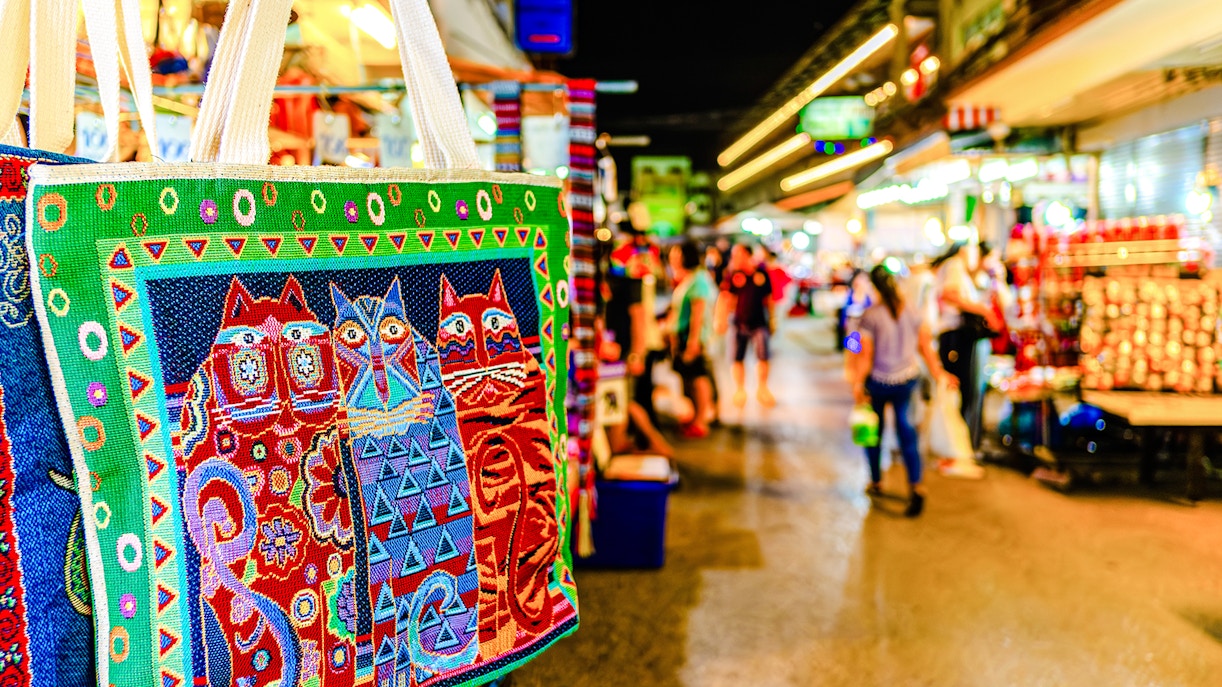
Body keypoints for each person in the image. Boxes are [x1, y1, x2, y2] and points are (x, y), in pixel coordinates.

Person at [851, 264, 956, 517]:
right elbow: (925, 347)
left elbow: (864, 354)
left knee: (872, 434)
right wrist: (940, 373)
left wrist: (857, 382)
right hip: (907, 379)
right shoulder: (912, 311)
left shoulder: (870, 315)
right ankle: (916, 486)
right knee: (907, 433)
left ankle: (876, 481)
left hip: (878, 382)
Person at [932, 241, 1002, 449]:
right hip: (954, 335)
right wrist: (984, 311)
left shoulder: (959, 269)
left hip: (955, 336)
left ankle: (958, 442)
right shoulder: (955, 266)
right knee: (961, 389)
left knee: (963, 390)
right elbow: (950, 295)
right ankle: (956, 443)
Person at [716, 243, 776, 408]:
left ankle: (762, 389)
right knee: (737, 358)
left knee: (763, 357)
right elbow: (725, 297)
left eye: (738, 255)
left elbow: (769, 298)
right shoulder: (733, 274)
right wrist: (720, 319)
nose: (734, 258)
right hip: (738, 323)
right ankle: (740, 390)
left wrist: (772, 320)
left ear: (747, 255)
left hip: (759, 322)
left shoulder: (761, 273)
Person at [668, 240, 717, 438]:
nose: (673, 258)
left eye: (676, 254)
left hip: (692, 337)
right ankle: (696, 416)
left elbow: (698, 313)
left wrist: (693, 342)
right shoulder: (691, 278)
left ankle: (701, 420)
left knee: (698, 378)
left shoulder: (698, 280)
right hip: (685, 335)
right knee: (691, 378)